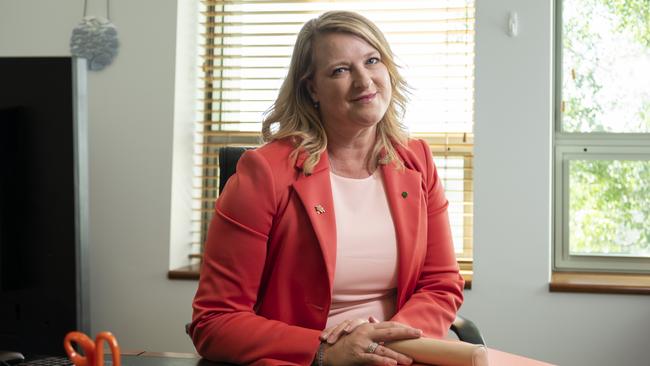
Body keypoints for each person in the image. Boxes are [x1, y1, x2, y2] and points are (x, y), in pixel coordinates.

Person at [190, 10, 464, 366]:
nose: (364, 81)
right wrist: (323, 351)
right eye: (340, 70)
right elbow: (215, 321)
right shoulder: (265, 173)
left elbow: (440, 283)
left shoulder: (417, 160)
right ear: (311, 88)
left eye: (372, 61)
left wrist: (389, 343)